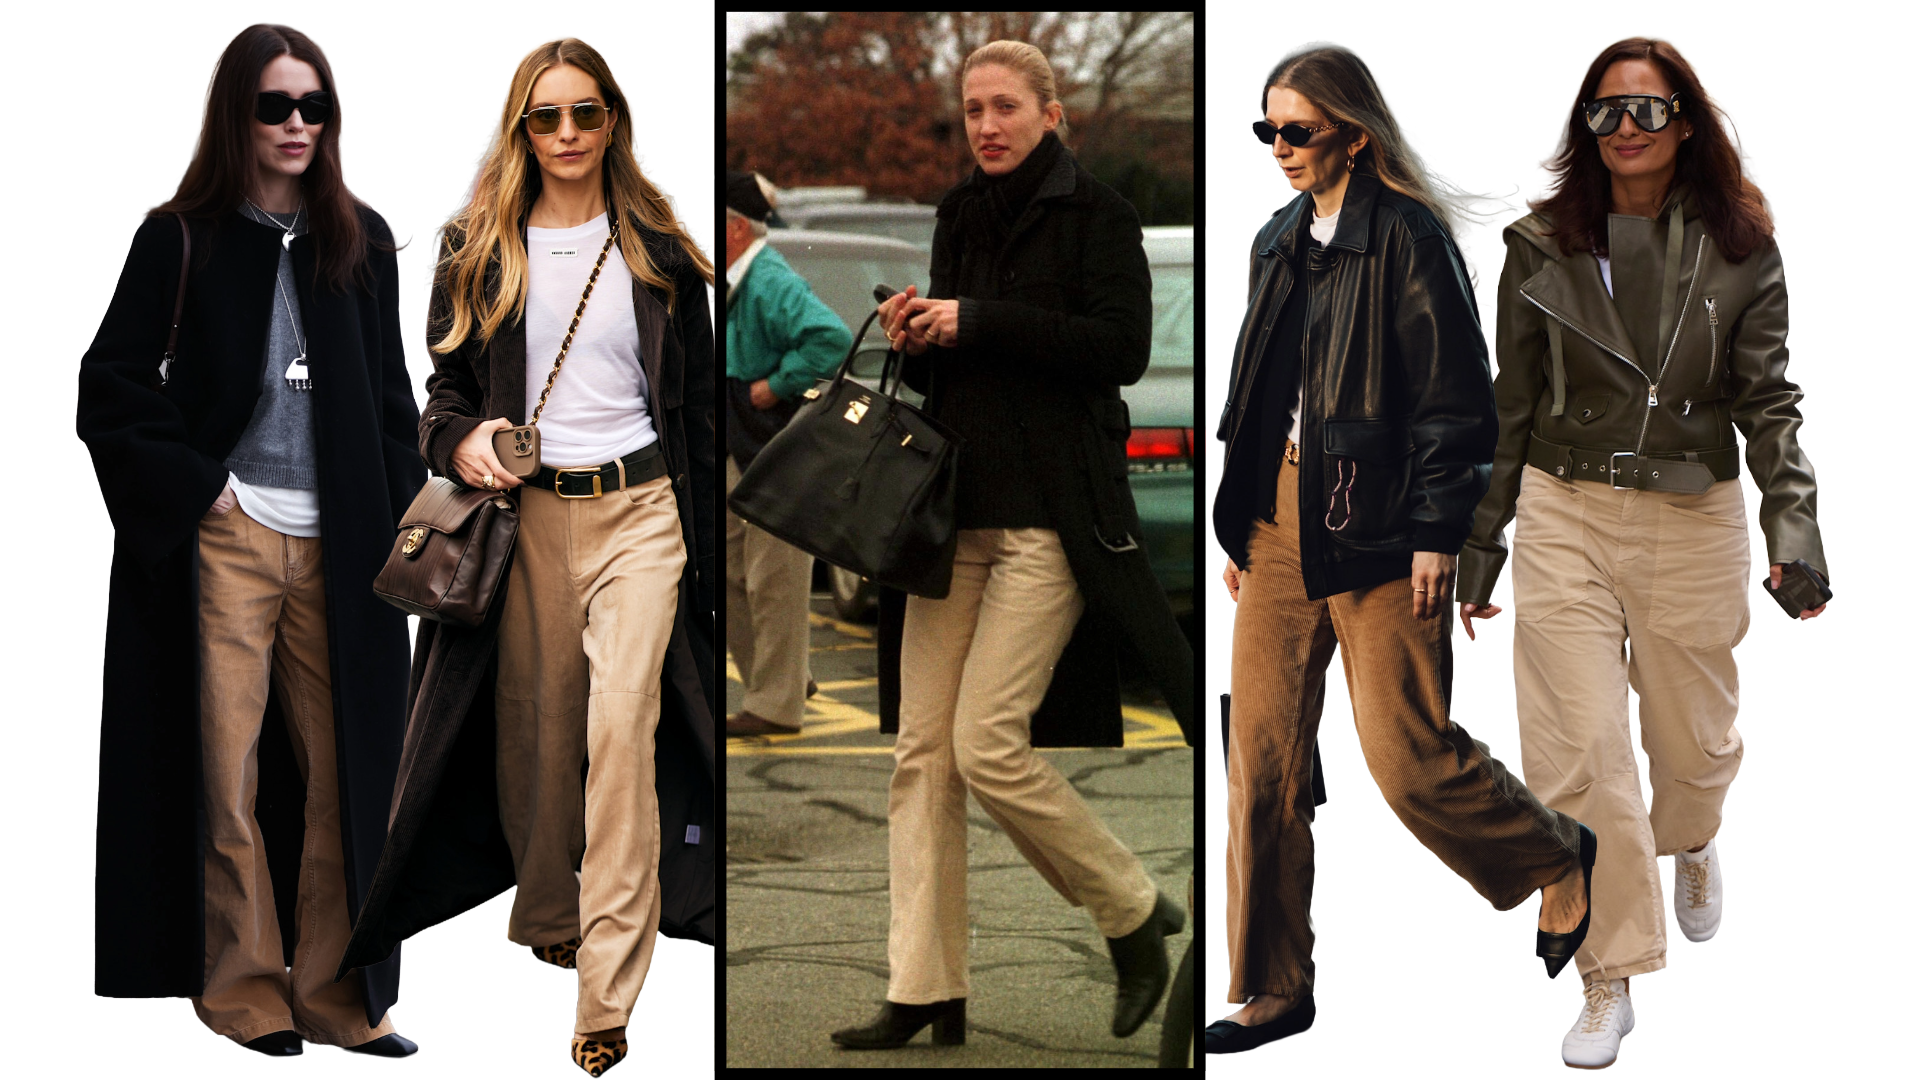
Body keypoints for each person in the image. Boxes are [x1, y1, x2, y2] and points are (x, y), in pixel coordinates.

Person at [334, 38, 717, 1078]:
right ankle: (550, 902)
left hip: (643, 515)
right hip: (525, 524)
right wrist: (460, 443)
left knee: (624, 731)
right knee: (534, 745)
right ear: (520, 130)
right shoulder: (476, 245)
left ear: (612, 121)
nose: (566, 137)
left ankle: (607, 992)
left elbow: (701, 415)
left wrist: (716, 558)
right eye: (544, 119)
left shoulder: (662, 250)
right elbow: (442, 395)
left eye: (584, 115)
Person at [1206, 45, 1599, 1056]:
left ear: (1353, 131)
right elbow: (1256, 394)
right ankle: (1274, 985)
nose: (1281, 148)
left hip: (1382, 526)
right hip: (1281, 524)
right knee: (1259, 763)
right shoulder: (1275, 242)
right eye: (1268, 130)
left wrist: (1441, 533)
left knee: (1408, 760)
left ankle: (1559, 854)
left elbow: (1458, 402)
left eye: (1297, 129)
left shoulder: (1407, 238)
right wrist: (1244, 516)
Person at [1456, 37, 1827, 1069]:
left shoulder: (1742, 245)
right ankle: (1606, 974)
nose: (1625, 129)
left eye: (1646, 111)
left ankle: (1695, 832)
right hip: (1564, 506)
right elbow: (1511, 406)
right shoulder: (1539, 246)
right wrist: (1480, 545)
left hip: (1692, 513)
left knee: (1691, 738)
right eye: (1604, 113)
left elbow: (1770, 403)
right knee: (1578, 755)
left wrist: (1792, 529)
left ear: (1687, 124)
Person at [831, 39, 1195, 1051]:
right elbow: (963, 362)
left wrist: (978, 321)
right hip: (953, 521)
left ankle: (1131, 910)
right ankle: (924, 989)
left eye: (1003, 107)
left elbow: (1118, 350)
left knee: (986, 744)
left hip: (1052, 524)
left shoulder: (1101, 215)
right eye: (971, 110)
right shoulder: (959, 214)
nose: (985, 126)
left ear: (1050, 111)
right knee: (920, 757)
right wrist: (918, 332)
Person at [76, 23, 421, 1058]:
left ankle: (331, 990)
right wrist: (202, 490)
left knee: (346, 776)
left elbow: (392, 404)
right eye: (276, 106)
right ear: (238, 113)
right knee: (224, 772)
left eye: (315, 106)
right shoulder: (179, 235)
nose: (299, 125)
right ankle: (240, 986)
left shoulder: (362, 238)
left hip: (342, 549)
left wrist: (397, 514)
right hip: (228, 542)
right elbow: (111, 388)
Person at [722, 169, 850, 737]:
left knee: (773, 578)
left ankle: (774, 706)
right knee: (727, 570)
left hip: (772, 444)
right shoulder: (736, 276)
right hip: (742, 445)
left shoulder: (766, 278)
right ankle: (786, 680)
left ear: (736, 228)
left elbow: (832, 339)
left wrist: (774, 385)